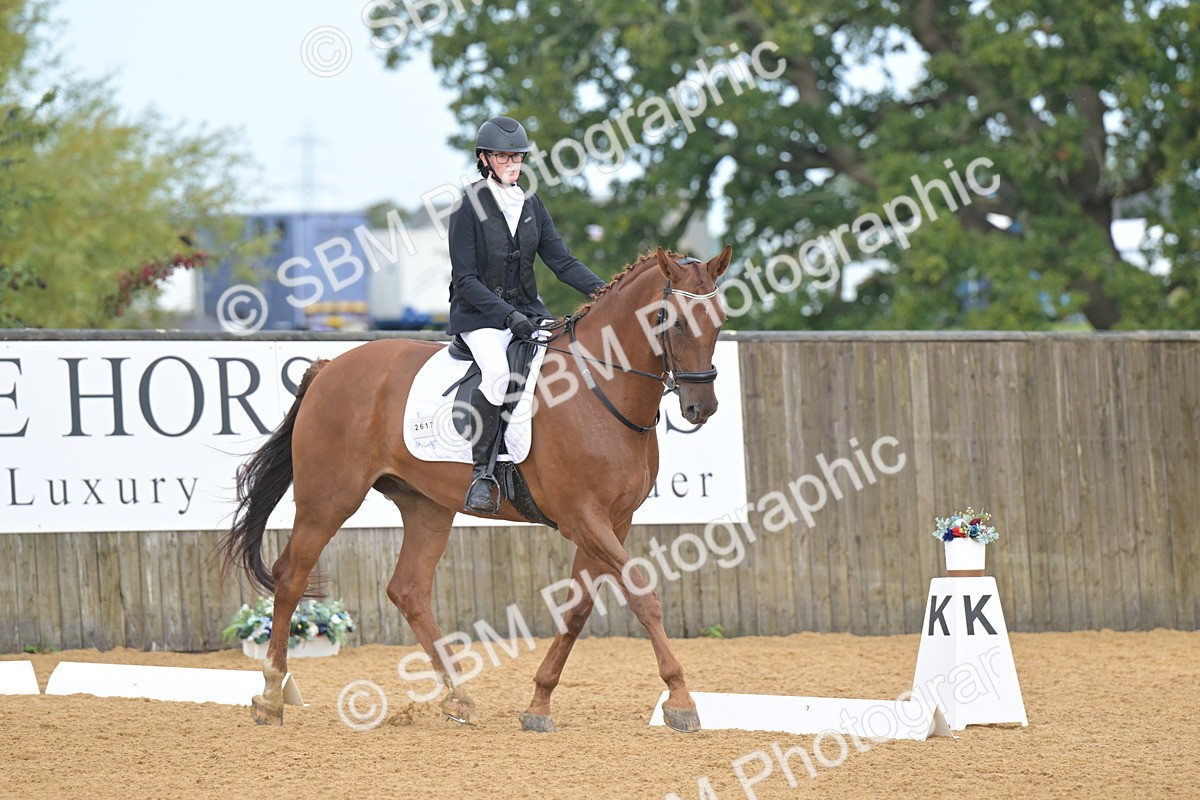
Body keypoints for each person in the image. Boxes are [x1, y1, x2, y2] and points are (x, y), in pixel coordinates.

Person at [447, 115, 606, 514]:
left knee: (564, 365)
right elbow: (465, 279)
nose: (512, 164)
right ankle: (482, 474)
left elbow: (562, 262)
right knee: (500, 376)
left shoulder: (531, 203)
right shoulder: (468, 206)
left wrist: (607, 294)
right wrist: (506, 316)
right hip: (479, 317)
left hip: (529, 314)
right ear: (484, 159)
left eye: (517, 156)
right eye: (503, 157)